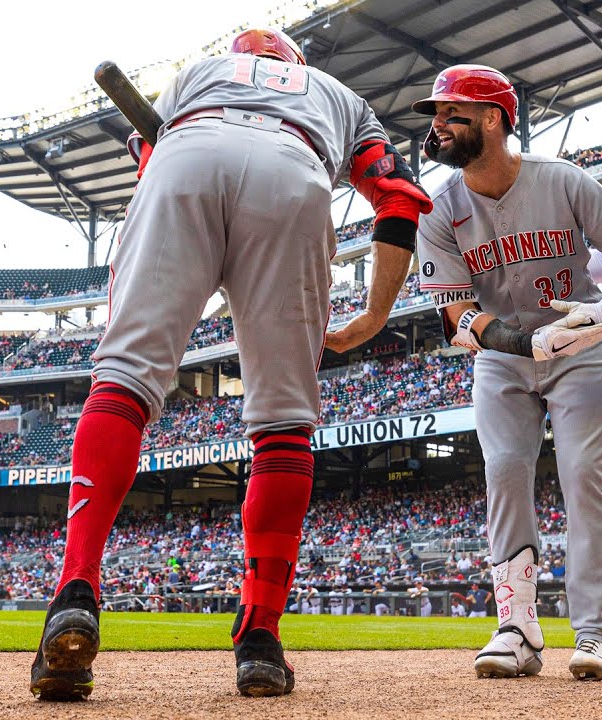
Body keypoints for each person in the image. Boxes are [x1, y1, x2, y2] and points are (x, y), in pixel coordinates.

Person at [28, 28, 432, 702]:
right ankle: (260, 641)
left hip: (186, 156)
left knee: (126, 379)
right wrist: (372, 316)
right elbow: (398, 200)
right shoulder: (339, 96)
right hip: (294, 179)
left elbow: (150, 163)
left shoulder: (197, 70)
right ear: (294, 65)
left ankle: (75, 592)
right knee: (282, 421)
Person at [413, 63, 602, 682]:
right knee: (505, 472)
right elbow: (458, 312)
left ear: (494, 118)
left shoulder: (562, 180)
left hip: (579, 351)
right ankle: (516, 626)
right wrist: (521, 340)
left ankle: (595, 632)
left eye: (450, 113)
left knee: (582, 474)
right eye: (435, 115)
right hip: (501, 360)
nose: (436, 125)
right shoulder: (438, 212)